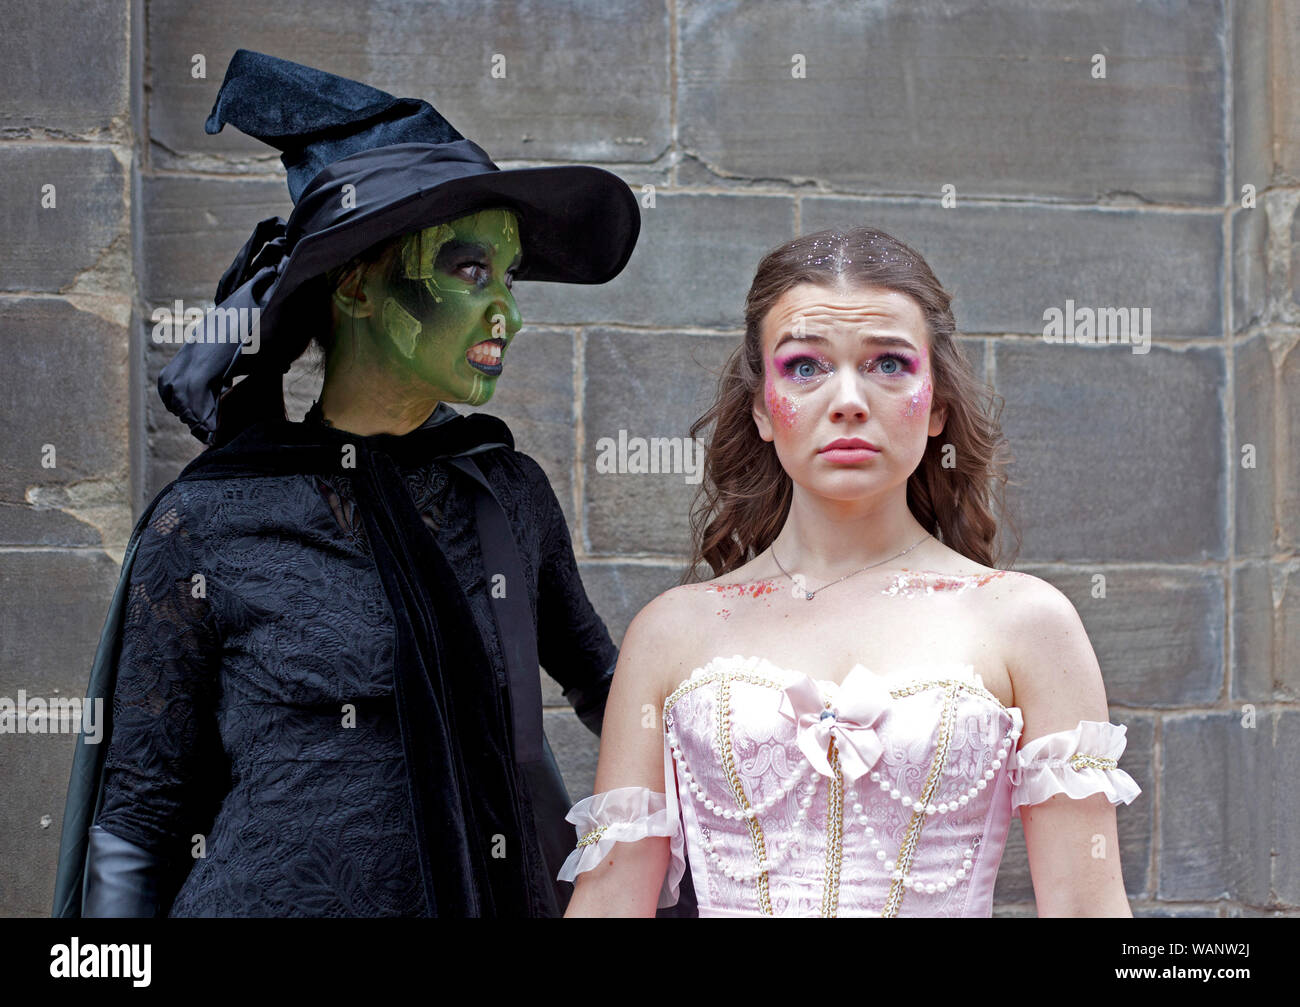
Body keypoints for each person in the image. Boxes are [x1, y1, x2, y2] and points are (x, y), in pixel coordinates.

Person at [52, 49, 641, 917]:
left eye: (508, 278)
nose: (506, 310)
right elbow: (136, 815)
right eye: (469, 270)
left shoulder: (505, 493)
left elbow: (616, 693)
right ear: (359, 286)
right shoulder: (209, 521)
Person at [559, 226, 1142, 917]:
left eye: (889, 364)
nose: (848, 400)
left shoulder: (1025, 621)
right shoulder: (671, 630)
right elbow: (611, 898)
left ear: (938, 406)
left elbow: (1086, 905)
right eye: (804, 366)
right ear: (761, 409)